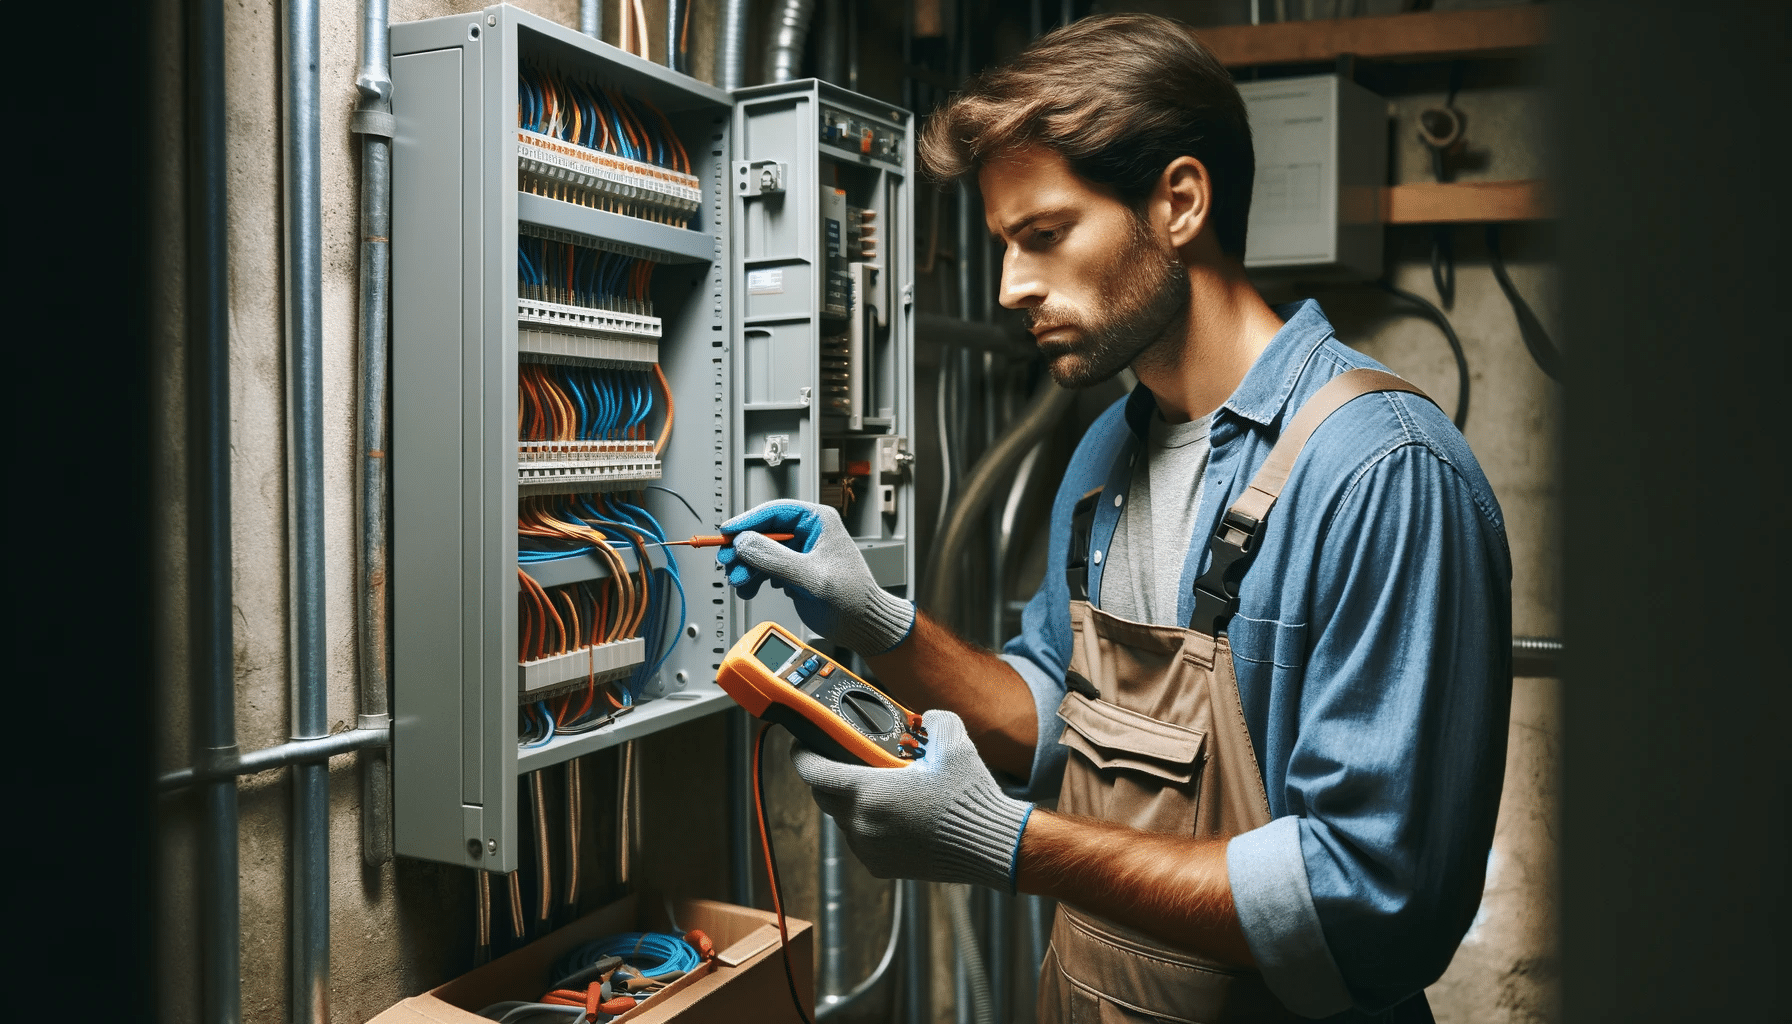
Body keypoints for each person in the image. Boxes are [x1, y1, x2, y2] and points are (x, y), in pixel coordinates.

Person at [716, 14, 1511, 1022]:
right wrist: (878, 623)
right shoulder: (1106, 452)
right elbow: (1056, 716)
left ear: (1179, 202)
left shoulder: (1381, 473)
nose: (1011, 286)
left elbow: (1369, 904)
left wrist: (1007, 842)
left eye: (1044, 235)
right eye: (1004, 245)